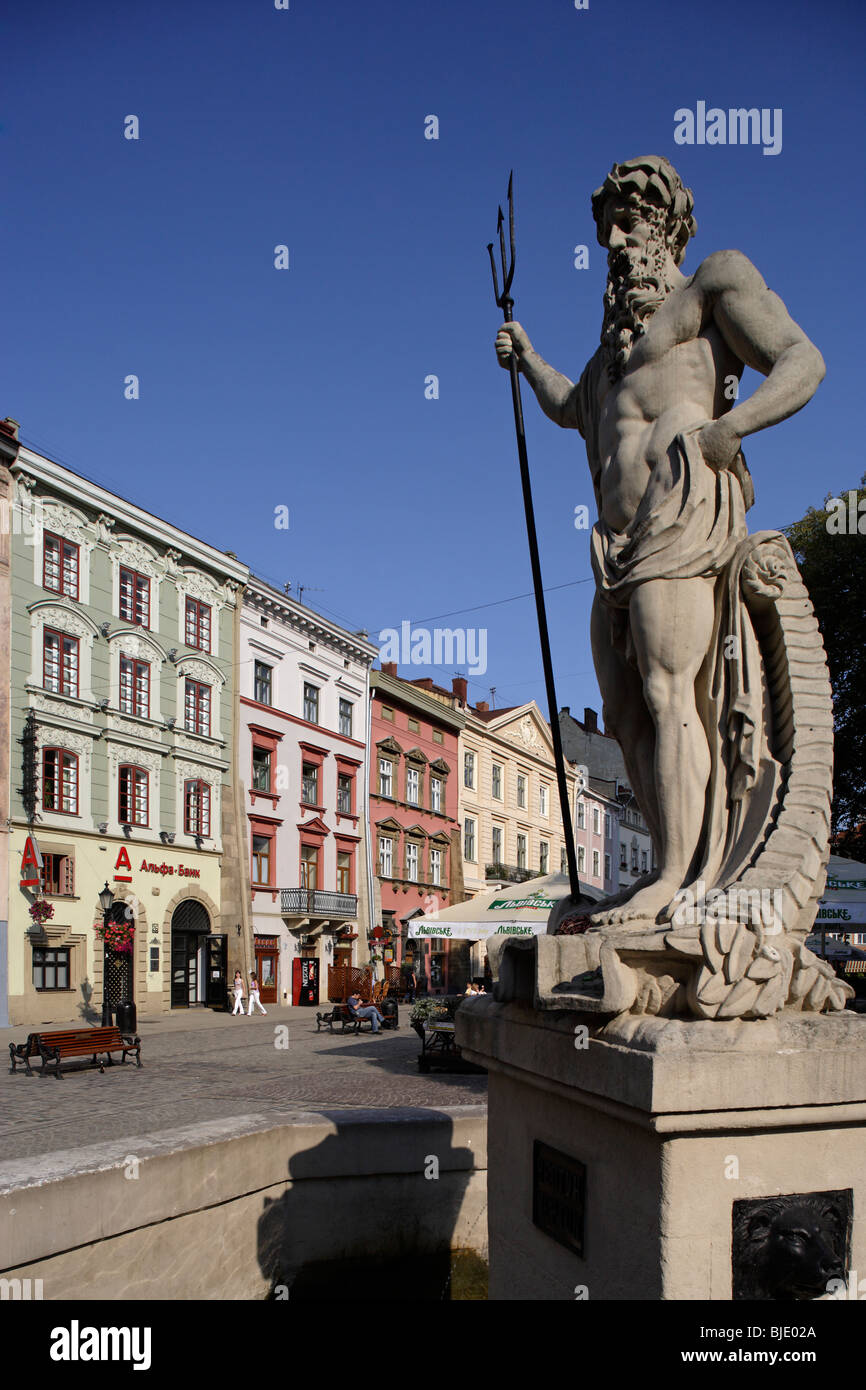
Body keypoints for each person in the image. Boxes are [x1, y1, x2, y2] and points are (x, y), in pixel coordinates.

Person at [495, 155, 826, 928]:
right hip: (613, 548)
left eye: (630, 220)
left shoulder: (713, 284)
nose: (614, 239)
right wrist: (527, 358)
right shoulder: (605, 360)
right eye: (607, 226)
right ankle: (667, 871)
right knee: (627, 709)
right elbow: (571, 410)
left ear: (667, 224)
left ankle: (676, 872)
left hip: (682, 518)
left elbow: (802, 361)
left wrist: (727, 430)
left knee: (673, 692)